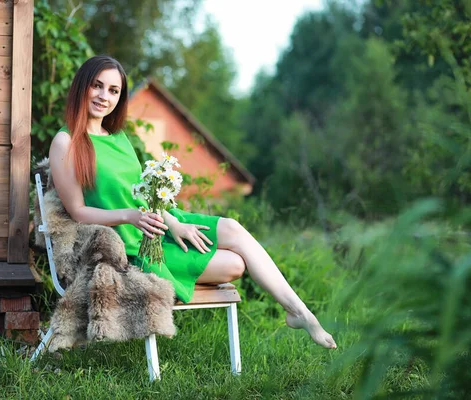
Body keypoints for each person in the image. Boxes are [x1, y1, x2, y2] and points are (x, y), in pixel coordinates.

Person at [49, 55, 337, 349]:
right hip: (133, 246)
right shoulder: (66, 142)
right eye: (97, 86)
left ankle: (299, 311)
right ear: (82, 86)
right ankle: (294, 310)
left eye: (113, 90)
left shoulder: (119, 138)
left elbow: (142, 193)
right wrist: (129, 216)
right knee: (236, 264)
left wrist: (174, 224)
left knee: (233, 229)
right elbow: (78, 211)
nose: (104, 96)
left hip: (159, 222)